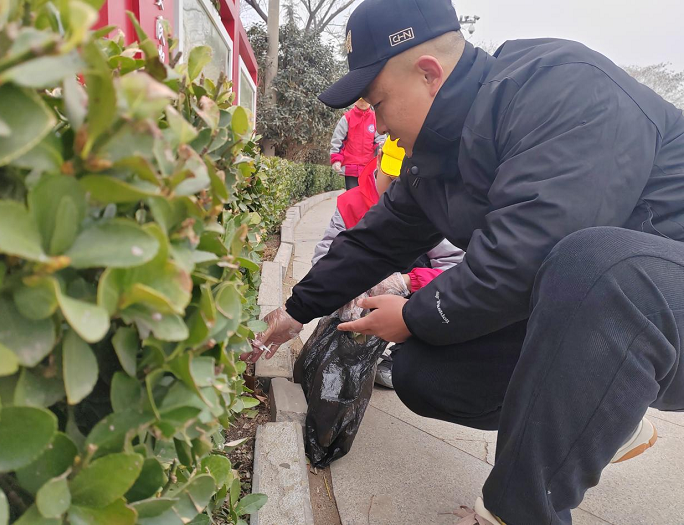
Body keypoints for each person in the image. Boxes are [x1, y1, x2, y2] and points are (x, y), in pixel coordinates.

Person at [243, 0, 684, 523]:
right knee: (426, 373)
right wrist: (296, 310)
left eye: (379, 103)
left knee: (598, 264)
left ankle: (514, 512)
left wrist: (409, 315)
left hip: (659, 303)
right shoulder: (438, 157)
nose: (378, 127)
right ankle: (609, 414)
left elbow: (527, 255)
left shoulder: (563, 87)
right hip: (600, 321)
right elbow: (374, 241)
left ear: (429, 74)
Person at [314, 136, 465, 387]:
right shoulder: (350, 204)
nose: (398, 188)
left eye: (402, 180)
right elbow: (323, 257)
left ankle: (399, 353)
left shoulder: (431, 209)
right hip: (360, 293)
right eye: (392, 179)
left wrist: (407, 281)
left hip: (406, 297)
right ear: (379, 161)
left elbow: (455, 269)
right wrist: (343, 288)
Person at [330, 98, 386, 190]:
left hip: (369, 168)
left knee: (367, 197)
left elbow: (380, 139)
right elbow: (338, 140)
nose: (363, 104)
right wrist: (336, 160)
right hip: (350, 166)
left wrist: (381, 151)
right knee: (352, 196)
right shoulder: (347, 118)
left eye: (365, 101)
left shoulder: (375, 118)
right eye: (360, 101)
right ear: (355, 101)